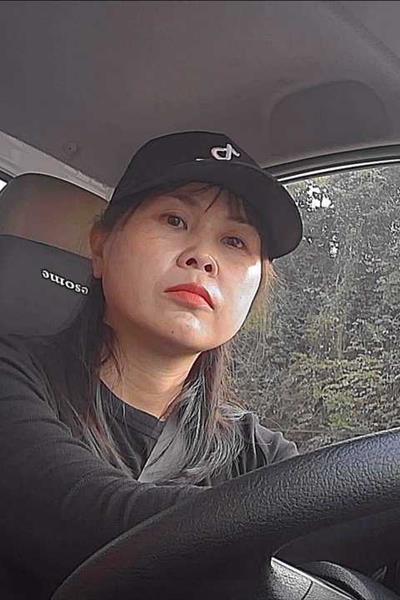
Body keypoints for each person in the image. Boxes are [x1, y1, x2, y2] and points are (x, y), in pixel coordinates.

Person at [0, 131, 302, 599]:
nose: (203, 257)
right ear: (100, 247)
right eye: (175, 219)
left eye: (235, 241)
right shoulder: (13, 375)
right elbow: (77, 515)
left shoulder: (258, 456)